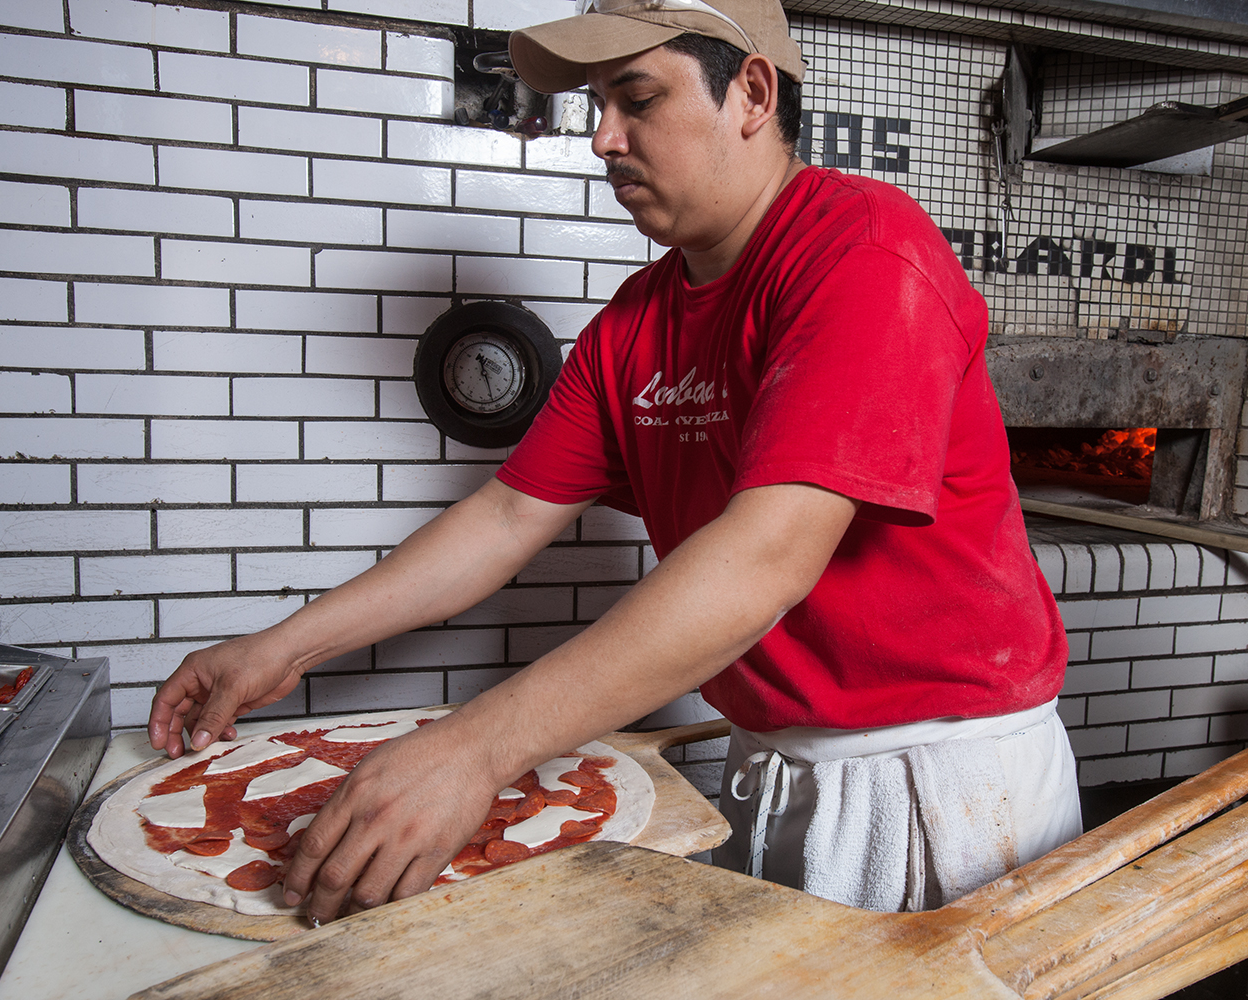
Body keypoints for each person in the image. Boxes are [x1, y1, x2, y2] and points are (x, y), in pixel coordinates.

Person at [148, 0, 1080, 924]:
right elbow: (506, 519)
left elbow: (767, 555)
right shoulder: (636, 321)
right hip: (779, 759)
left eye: (635, 98)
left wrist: (473, 750)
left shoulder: (861, 251)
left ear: (751, 93)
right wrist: (275, 651)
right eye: (597, 105)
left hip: (937, 776)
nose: (602, 139)